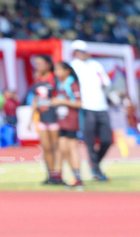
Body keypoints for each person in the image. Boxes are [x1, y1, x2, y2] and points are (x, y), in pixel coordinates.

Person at [70, 41, 113, 181]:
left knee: (107, 140)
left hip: (101, 106)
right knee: (89, 140)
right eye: (79, 51)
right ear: (75, 52)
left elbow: (106, 83)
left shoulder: (96, 65)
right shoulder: (73, 66)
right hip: (86, 107)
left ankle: (94, 164)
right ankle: (96, 170)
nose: (81, 54)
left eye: (83, 51)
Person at [27, 55, 61, 185]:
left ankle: (59, 173)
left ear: (47, 64)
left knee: (55, 146)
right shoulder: (37, 80)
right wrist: (30, 120)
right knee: (46, 147)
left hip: (54, 117)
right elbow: (35, 100)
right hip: (42, 117)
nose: (38, 66)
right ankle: (50, 174)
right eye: (36, 64)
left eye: (40, 63)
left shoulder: (54, 79)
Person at [51, 61, 84, 189]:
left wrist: (61, 101)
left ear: (67, 71)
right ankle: (73, 176)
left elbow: (79, 103)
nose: (56, 73)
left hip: (71, 120)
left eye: (58, 70)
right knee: (63, 149)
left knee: (72, 148)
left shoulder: (72, 83)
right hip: (62, 121)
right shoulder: (60, 84)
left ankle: (78, 177)